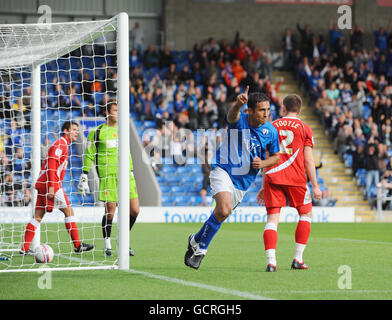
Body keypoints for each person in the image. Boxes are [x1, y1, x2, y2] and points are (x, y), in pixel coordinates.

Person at [184, 86, 280, 270]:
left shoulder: (271, 131)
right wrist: (238, 103)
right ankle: (201, 250)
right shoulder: (240, 121)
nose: (266, 114)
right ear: (250, 110)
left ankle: (195, 239)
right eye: (262, 110)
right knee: (224, 209)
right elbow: (231, 117)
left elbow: (276, 156)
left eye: (268, 110)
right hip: (223, 169)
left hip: (243, 183)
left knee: (221, 214)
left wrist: (264, 163)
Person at [257, 94, 322, 272]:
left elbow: (267, 156)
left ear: (283, 108)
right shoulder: (305, 128)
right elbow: (308, 160)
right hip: (296, 178)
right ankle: (298, 259)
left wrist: (263, 184)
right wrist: (315, 185)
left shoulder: (271, 126)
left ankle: (271, 262)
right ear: (299, 110)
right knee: (305, 214)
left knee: (272, 219)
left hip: (273, 176)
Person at [21, 121, 95, 254]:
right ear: (66, 131)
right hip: (51, 183)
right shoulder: (61, 144)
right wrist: (51, 187)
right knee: (69, 212)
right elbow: (51, 165)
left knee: (37, 216)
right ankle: (78, 245)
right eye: (74, 129)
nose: (77, 132)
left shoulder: (63, 144)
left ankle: (24, 249)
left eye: (77, 130)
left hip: (43, 183)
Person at [78, 101, 140, 257]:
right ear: (107, 112)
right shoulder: (97, 132)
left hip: (125, 175)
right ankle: (107, 244)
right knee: (111, 211)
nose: (118, 113)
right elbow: (89, 153)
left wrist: (131, 170)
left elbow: (128, 152)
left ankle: (123, 240)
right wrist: (85, 174)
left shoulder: (123, 130)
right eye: (115, 110)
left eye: (119, 110)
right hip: (108, 176)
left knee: (134, 210)